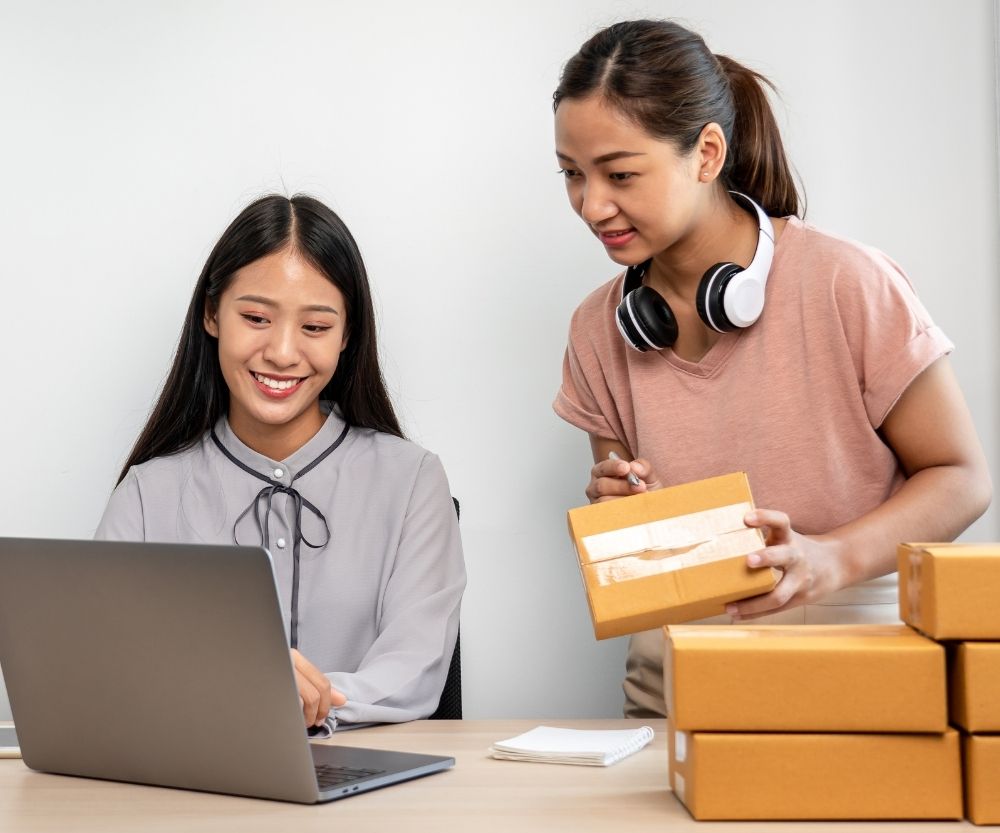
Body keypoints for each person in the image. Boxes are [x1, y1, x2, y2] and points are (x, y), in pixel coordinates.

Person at [551, 20, 991, 718]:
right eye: (572, 173)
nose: (592, 204)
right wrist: (626, 510)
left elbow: (964, 479)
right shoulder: (597, 327)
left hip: (852, 654)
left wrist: (831, 558)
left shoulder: (846, 281)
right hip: (679, 671)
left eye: (621, 173)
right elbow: (638, 543)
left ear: (707, 153)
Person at [96, 194, 465, 732]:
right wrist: (236, 687)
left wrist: (298, 700)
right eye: (255, 318)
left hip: (366, 793)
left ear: (347, 336)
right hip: (195, 791)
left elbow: (415, 668)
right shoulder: (147, 492)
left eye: (315, 327)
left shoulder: (412, 481)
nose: (283, 352)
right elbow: (105, 662)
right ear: (211, 313)